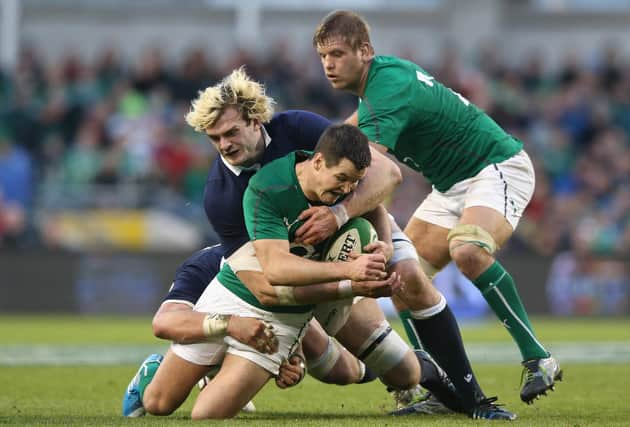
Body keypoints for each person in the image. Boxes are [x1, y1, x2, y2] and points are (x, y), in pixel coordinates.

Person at [122, 69, 454, 418]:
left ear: (254, 120)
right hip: (268, 279)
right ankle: (220, 368)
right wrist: (347, 281)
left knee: (381, 369)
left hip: (330, 251)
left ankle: (448, 384)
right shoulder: (222, 197)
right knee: (159, 403)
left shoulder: (299, 129)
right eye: (214, 138)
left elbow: (373, 179)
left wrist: (355, 227)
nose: (224, 145)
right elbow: (268, 287)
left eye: (231, 132)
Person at [312, 9, 562, 406]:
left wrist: (336, 213)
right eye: (323, 56)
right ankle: (439, 387)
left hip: (495, 166)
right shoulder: (379, 86)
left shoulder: (388, 86)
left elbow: (365, 166)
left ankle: (539, 358)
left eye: (338, 54)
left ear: (365, 51)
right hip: (451, 186)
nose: (328, 64)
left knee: (469, 249)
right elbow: (342, 139)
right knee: (401, 275)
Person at [146, 124, 415, 419]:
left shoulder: (342, 190)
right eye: (342, 179)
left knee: (205, 416)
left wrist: (384, 246)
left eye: (354, 182)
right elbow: (277, 271)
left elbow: (372, 202)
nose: (347, 189)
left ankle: (234, 368)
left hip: (282, 318)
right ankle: (218, 364)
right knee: (157, 403)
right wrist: (351, 275)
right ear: (318, 161)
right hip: (234, 294)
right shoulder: (268, 187)